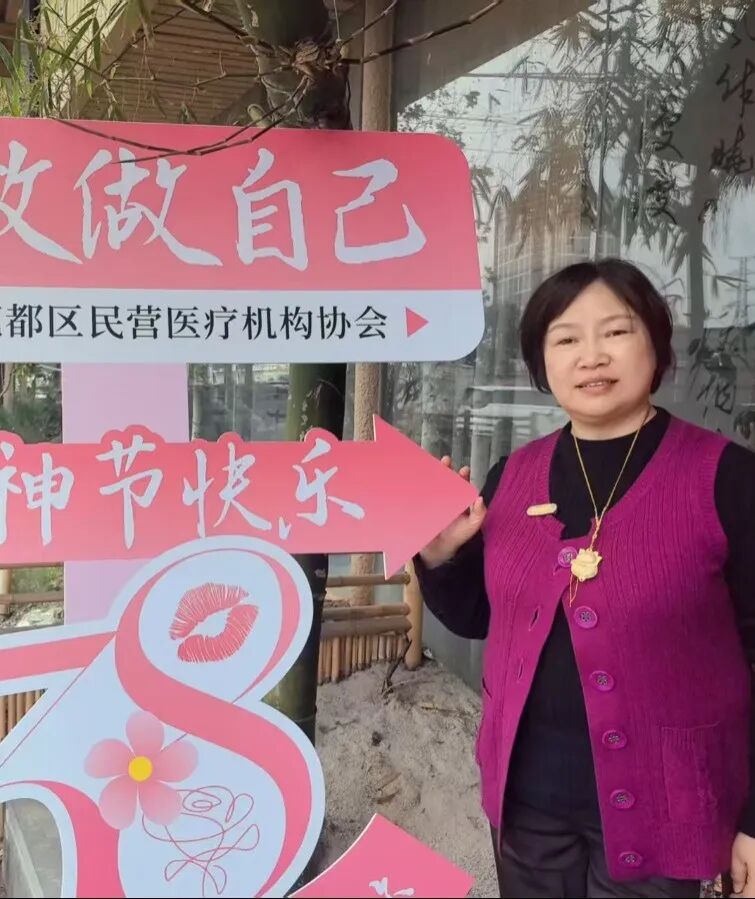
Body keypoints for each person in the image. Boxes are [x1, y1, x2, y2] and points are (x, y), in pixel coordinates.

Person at [414, 259, 755, 899]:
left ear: (656, 345)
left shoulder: (728, 479)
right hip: (528, 804)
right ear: (541, 363)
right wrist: (440, 557)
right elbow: (478, 618)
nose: (592, 356)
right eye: (566, 339)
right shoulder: (513, 475)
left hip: (668, 807)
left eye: (616, 332)